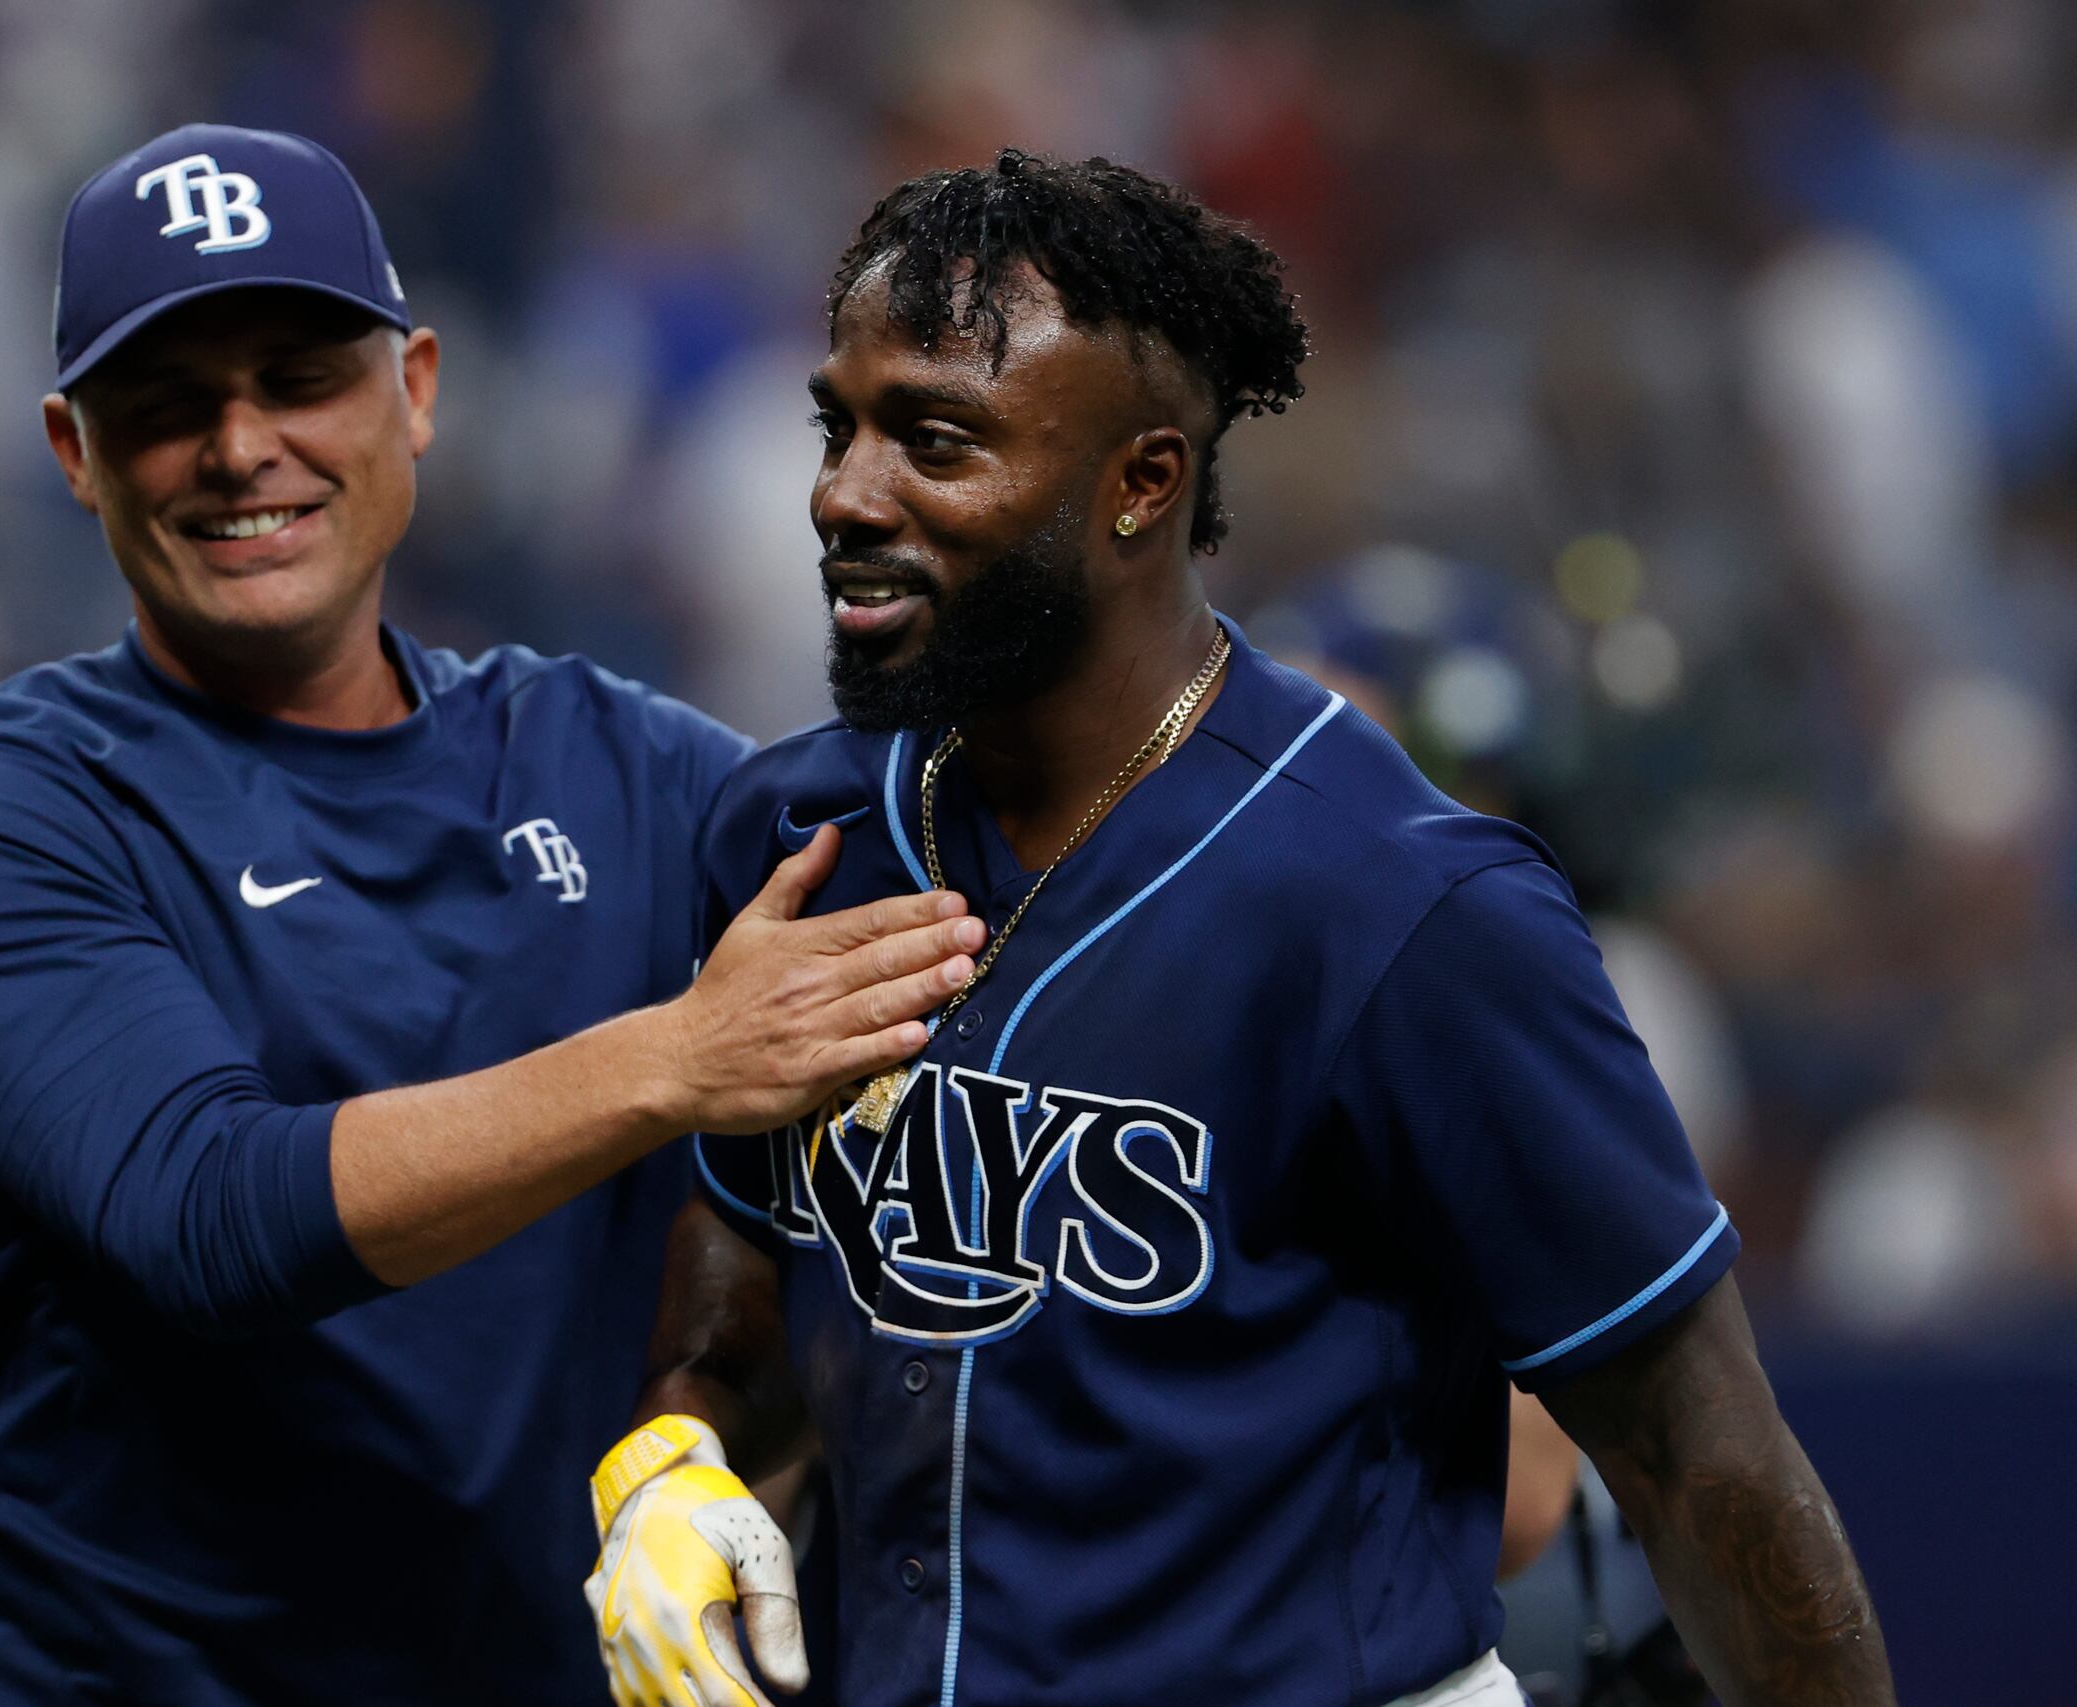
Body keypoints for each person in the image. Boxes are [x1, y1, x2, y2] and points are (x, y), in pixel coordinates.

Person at [582, 152, 1894, 1707]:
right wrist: (682, 1440)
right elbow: (754, 1226)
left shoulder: (1410, 905)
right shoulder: (794, 833)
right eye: (841, 425)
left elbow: (1700, 1457)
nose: (845, 494)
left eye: (936, 442)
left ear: (1143, 484)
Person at [0, 123, 986, 1705]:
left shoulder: (628, 766)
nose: (242, 446)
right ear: (71, 450)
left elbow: (974, 940)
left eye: (301, 375)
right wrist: (676, 1057)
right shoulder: (1, 816)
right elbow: (211, 1216)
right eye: (168, 405)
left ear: (421, 390)